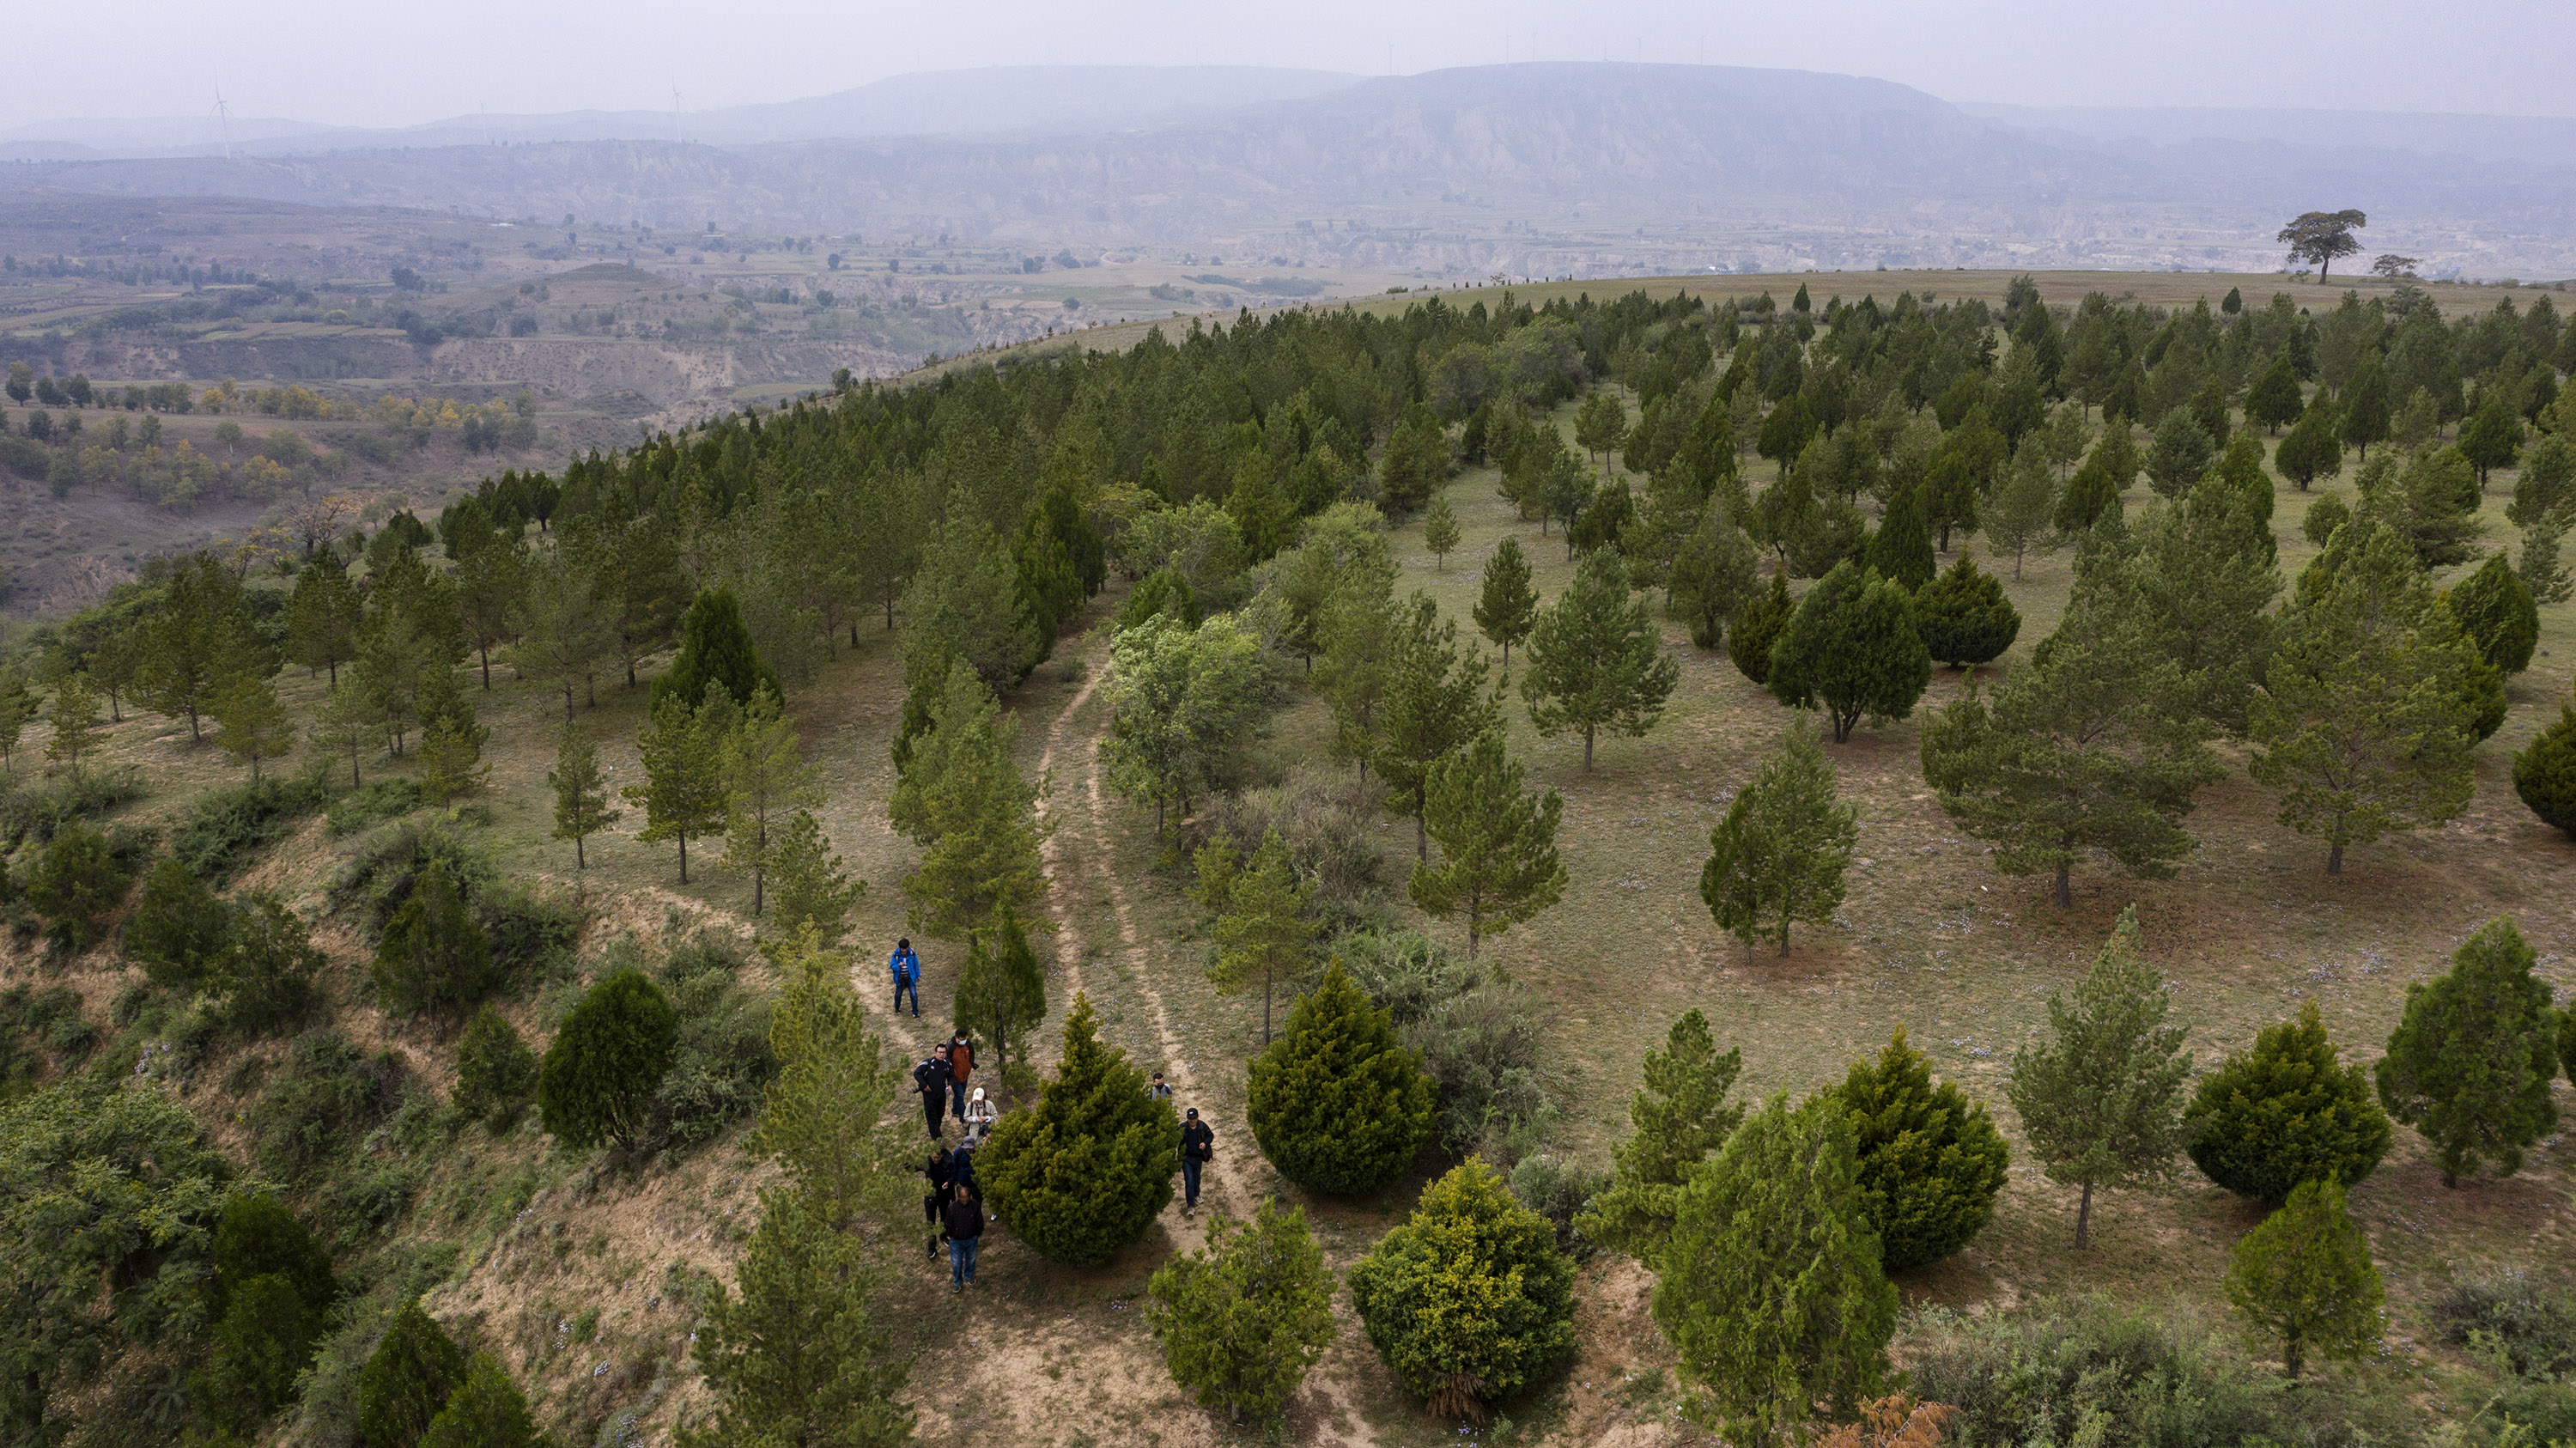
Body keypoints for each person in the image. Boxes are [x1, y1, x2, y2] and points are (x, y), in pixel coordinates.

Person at [942, 1181, 986, 1293]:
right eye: (962, 1197)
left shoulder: (975, 1205)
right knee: (956, 1263)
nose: (965, 1199)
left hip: (971, 1239)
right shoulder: (952, 1208)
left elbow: (979, 1220)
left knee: (971, 1260)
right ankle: (957, 1282)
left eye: (967, 1197)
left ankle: (969, 1275)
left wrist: (977, 1233)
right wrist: (952, 1234)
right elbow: (948, 1224)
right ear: (958, 1197)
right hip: (956, 1241)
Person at [922, 1144, 956, 1262]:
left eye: (938, 1157)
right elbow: (913, 1167)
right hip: (930, 1196)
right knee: (930, 1222)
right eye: (934, 1157)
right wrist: (906, 1162)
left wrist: (949, 1182)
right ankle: (932, 1249)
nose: (936, 1160)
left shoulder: (948, 1161)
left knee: (944, 1217)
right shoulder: (926, 1162)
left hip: (943, 1195)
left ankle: (943, 1236)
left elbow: (954, 1175)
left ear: (942, 1156)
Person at [1178, 1107, 1215, 1217]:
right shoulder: (1182, 1128)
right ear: (1187, 1118)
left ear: (1198, 1117)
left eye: (1194, 1118)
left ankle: (1196, 1194)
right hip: (1186, 1158)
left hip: (1198, 1157)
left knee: (1197, 1178)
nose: (1192, 1121)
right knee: (1189, 1181)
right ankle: (1191, 1206)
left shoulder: (1202, 1126)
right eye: (1190, 1119)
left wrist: (1205, 1143)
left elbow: (1210, 1135)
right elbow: (1174, 1137)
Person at [913, 1049, 951, 1140]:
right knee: (931, 1116)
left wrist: (950, 1085)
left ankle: (935, 1130)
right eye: (940, 1052)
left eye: (943, 1053)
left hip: (941, 1094)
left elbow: (951, 1075)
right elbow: (917, 1073)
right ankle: (937, 1139)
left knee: (940, 1113)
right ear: (935, 1053)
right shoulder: (927, 1063)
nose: (941, 1054)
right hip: (929, 1095)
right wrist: (924, 1085)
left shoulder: (947, 1064)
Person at [945, 1031, 975, 1120]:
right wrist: (952, 1074)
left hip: (965, 1076)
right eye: (962, 1040)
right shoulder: (950, 1048)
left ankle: (955, 1111)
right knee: (960, 1098)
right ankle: (964, 1119)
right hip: (955, 1078)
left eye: (965, 1039)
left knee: (960, 1096)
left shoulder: (968, 1044)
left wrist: (971, 1064)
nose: (964, 1041)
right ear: (956, 1039)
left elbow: (972, 1054)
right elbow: (947, 1062)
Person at [890, 938, 921, 1018]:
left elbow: (916, 964)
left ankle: (915, 1012)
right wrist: (899, 965)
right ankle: (897, 1007)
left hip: (910, 977)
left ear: (908, 947)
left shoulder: (912, 954)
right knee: (898, 994)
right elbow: (892, 966)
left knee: (913, 995)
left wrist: (918, 975)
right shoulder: (896, 955)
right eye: (902, 949)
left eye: (905, 949)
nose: (903, 950)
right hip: (900, 978)